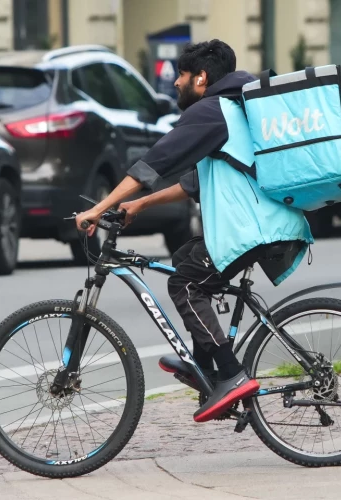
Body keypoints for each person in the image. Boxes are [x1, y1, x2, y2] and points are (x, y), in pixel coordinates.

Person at [75, 39, 313, 423]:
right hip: (260, 225)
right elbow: (195, 182)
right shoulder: (230, 109)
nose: (174, 85)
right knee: (186, 258)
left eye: (180, 77)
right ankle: (205, 367)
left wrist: (99, 208)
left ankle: (230, 374)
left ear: (200, 78)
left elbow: (154, 162)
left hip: (251, 229)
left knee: (184, 284)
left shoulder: (211, 111)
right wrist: (138, 205)